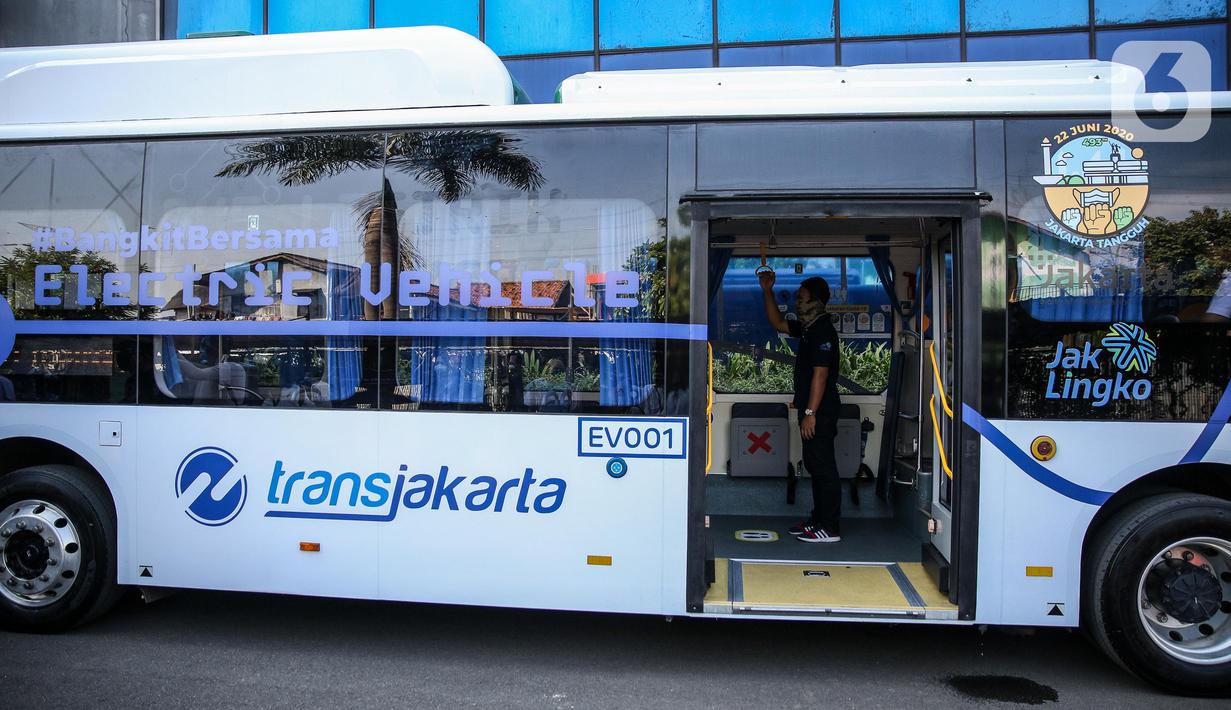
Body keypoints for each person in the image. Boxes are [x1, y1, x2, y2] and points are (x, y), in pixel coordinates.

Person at [758, 269, 842, 543]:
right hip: (812, 409)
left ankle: (829, 527)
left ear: (816, 301)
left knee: (824, 468)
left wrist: (810, 413)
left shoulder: (823, 331)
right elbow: (778, 323)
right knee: (815, 465)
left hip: (820, 412)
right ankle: (817, 520)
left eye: (802, 298)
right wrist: (767, 290)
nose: (797, 302)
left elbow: (821, 374)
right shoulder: (808, 328)